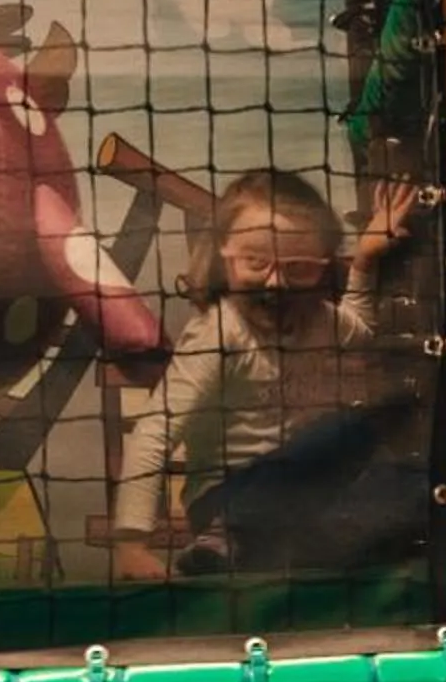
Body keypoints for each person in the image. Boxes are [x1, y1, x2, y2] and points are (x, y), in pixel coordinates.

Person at [110, 167, 421, 581]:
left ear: (322, 268)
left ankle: (281, 554)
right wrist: (131, 544)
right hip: (228, 500)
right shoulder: (221, 333)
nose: (275, 284)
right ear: (225, 256)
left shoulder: (319, 319)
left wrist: (364, 258)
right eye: (256, 263)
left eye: (298, 270)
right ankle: (227, 542)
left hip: (300, 504)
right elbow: (155, 431)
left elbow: (359, 329)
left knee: (413, 486)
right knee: (344, 429)